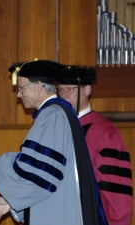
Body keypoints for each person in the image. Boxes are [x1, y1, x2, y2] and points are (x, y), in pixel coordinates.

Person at [0, 60, 108, 225]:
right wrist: (10, 201)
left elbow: (39, 171)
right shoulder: (60, 112)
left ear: (38, 86)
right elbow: (44, 169)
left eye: (21, 88)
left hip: (58, 212)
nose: (18, 94)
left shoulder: (53, 114)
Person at [56, 66, 133, 225]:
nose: (64, 96)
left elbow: (114, 185)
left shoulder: (104, 130)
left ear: (87, 90)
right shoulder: (56, 128)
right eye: (60, 91)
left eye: (70, 90)